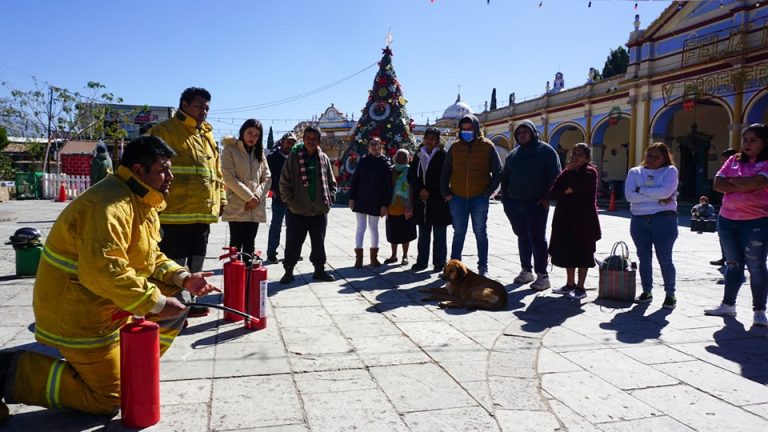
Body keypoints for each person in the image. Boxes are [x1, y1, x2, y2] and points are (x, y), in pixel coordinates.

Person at [0, 136, 219, 419]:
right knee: (110, 398)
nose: (171, 177)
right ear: (139, 170)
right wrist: (156, 302)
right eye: (163, 169)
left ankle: (133, 366)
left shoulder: (140, 199)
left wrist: (183, 277)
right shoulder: (109, 207)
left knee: (175, 298)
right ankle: (8, 372)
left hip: (103, 301)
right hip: (78, 314)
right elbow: (106, 271)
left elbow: (149, 256)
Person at [148, 87, 225, 317]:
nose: (203, 111)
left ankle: (192, 302)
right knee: (174, 264)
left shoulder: (207, 134)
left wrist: (220, 199)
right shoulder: (164, 131)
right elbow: (152, 169)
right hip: (174, 213)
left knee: (198, 261)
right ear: (184, 104)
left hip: (202, 213)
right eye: (199, 106)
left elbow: (216, 172)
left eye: (207, 108)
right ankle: (174, 309)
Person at [704, 123, 768, 327]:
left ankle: (759, 310)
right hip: (728, 220)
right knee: (732, 264)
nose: (747, 144)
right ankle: (728, 305)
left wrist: (733, 182)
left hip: (756, 221)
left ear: (764, 142)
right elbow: (717, 184)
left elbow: (757, 183)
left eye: (753, 140)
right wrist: (747, 182)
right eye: (744, 139)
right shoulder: (733, 159)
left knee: (756, 265)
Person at [501, 120, 561, 290]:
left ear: (534, 133)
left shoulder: (545, 151)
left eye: (526, 132)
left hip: (536, 203)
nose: (522, 135)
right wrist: (506, 200)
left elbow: (555, 176)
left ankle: (543, 275)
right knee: (522, 236)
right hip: (515, 203)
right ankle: (526, 271)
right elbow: (505, 178)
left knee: (537, 237)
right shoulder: (513, 154)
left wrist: (547, 198)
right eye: (519, 133)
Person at [440, 114, 502, 276]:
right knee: (458, 233)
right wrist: (447, 194)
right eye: (464, 129)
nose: (467, 132)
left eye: (470, 129)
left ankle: (483, 267)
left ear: (476, 128)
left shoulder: (487, 146)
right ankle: (452, 268)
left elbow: (497, 172)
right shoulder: (454, 147)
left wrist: (487, 193)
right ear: (460, 130)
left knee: (480, 232)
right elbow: (445, 173)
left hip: (479, 198)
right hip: (457, 198)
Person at [278, 125, 337, 284]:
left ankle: (319, 271)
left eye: (314, 139)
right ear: (303, 139)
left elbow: (332, 182)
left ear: (318, 141)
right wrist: (291, 202)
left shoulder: (323, 158)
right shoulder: (294, 157)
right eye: (308, 138)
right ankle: (288, 271)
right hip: (297, 210)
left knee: (319, 243)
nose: (311, 141)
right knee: (293, 243)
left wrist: (329, 199)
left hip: (319, 210)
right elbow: (284, 182)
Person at [624, 142, 679, 309]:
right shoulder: (635, 172)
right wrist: (657, 197)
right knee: (644, 258)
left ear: (664, 159)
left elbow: (666, 192)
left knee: (665, 258)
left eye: (657, 157)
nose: (652, 160)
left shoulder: (670, 171)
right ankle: (647, 291)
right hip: (639, 220)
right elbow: (629, 196)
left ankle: (670, 293)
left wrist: (640, 190)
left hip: (664, 220)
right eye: (649, 155)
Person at [548, 143, 601, 300]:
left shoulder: (590, 172)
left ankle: (580, 286)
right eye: (573, 154)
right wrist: (566, 187)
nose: (575, 158)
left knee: (583, 252)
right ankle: (570, 283)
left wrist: (566, 190)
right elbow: (554, 192)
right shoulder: (566, 172)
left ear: (587, 158)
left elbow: (576, 187)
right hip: (565, 218)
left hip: (584, 219)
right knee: (567, 251)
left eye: (580, 155)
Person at [221, 119, 271, 266]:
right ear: (242, 131)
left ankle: (248, 283)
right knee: (235, 244)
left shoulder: (260, 153)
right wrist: (249, 197)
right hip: (238, 205)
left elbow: (267, 178)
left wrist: (257, 197)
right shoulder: (230, 150)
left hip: (255, 207)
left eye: (256, 135)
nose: (252, 137)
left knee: (250, 244)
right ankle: (235, 282)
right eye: (250, 133)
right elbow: (229, 177)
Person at [408, 127, 452, 273]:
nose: (430, 141)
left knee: (440, 234)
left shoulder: (443, 156)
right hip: (422, 201)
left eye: (433, 139)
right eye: (428, 138)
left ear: (438, 141)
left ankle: (439, 263)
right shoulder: (418, 155)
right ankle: (422, 261)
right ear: (424, 139)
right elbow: (411, 176)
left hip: (438, 200)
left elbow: (444, 176)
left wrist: (430, 190)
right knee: (423, 234)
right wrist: (420, 189)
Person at [349, 137, 392, 268]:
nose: (374, 146)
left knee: (373, 228)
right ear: (368, 147)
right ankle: (359, 259)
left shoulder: (385, 163)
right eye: (371, 144)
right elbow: (355, 180)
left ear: (381, 147)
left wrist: (385, 204)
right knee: (360, 228)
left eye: (376, 144)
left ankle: (374, 258)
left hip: (376, 201)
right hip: (361, 199)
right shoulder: (363, 161)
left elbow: (388, 186)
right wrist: (352, 198)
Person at [265, 132, 298, 264]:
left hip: (294, 198)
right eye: (288, 142)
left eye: (293, 143)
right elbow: (268, 175)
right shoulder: (273, 156)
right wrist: (274, 190)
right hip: (279, 197)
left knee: (293, 226)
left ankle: (292, 253)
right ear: (283, 141)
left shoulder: (295, 156)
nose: (290, 145)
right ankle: (271, 253)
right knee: (276, 225)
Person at [384, 149, 417, 265]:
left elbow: (414, 188)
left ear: (409, 158)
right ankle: (393, 255)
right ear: (394, 157)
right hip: (392, 206)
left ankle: (405, 256)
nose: (401, 158)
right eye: (399, 156)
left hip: (406, 206)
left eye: (404, 156)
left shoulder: (411, 171)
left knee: (406, 234)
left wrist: (412, 204)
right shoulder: (389, 170)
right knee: (392, 233)